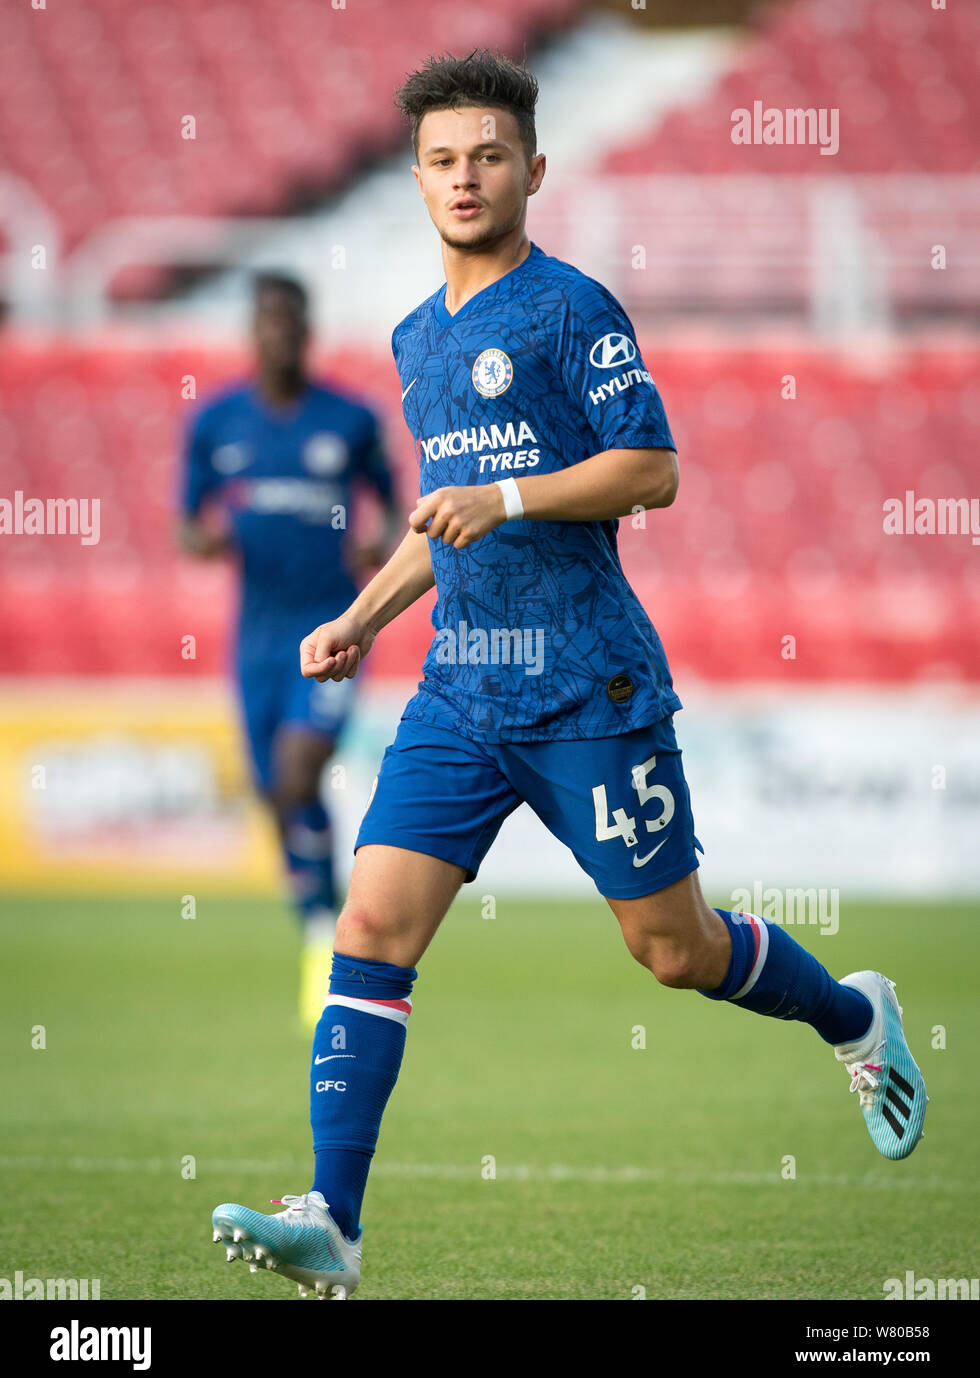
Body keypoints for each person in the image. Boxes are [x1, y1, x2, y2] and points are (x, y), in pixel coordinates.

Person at [211, 52, 927, 1301]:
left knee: (672, 949)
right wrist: (361, 613)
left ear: (531, 169)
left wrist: (506, 493)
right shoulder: (411, 336)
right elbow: (443, 525)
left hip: (585, 685)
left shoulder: (570, 309)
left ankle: (851, 1018)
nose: (463, 177)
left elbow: (648, 469)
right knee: (371, 928)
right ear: (416, 179)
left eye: (486, 155)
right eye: (439, 159)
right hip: (458, 694)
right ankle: (333, 1219)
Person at [179, 272, 401, 1031]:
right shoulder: (217, 424)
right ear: (253, 331)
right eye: (265, 321)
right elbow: (187, 521)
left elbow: (400, 505)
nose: (278, 334)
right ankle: (317, 914)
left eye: (289, 321)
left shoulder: (349, 419)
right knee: (277, 792)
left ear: (307, 331)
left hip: (331, 627)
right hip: (256, 639)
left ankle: (327, 931)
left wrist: (381, 540)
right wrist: (203, 538)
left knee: (302, 768)